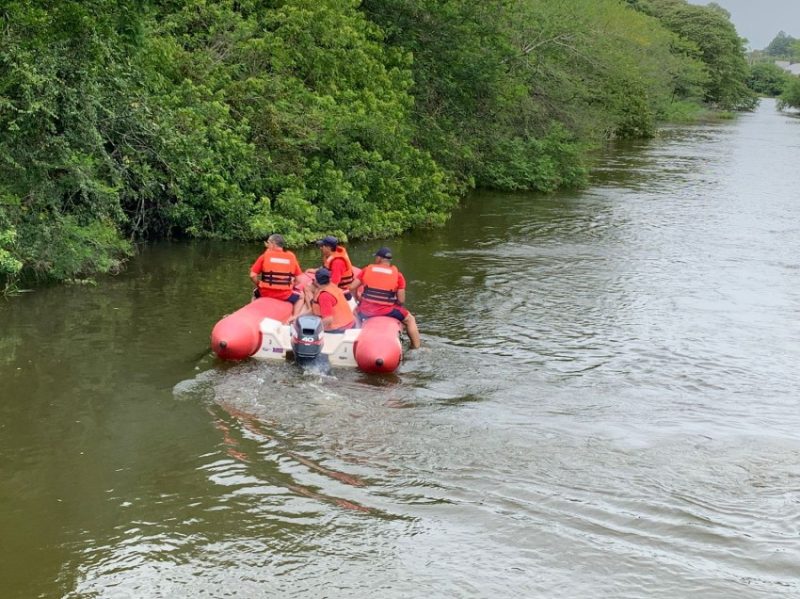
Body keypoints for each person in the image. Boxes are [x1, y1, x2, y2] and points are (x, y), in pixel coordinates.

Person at [349, 247, 421, 349]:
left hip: (367, 310)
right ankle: (416, 347)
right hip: (387, 310)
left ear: (379, 258)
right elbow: (401, 300)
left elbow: (351, 287)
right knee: (410, 319)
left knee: (355, 313)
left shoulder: (366, 270)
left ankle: (359, 338)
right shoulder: (398, 275)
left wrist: (357, 298)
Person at [249, 234, 304, 318]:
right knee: (301, 297)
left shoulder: (264, 256)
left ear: (273, 244)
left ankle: (252, 314)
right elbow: (299, 279)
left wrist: (259, 284)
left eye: (268, 243)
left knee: (254, 294)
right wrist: (291, 285)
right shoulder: (291, 257)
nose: (267, 245)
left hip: (265, 293)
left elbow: (252, 275)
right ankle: (294, 317)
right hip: (285, 294)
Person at [303, 267, 355, 333]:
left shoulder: (324, 296)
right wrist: (298, 317)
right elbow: (314, 309)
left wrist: (312, 329)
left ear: (316, 281)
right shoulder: (332, 286)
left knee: (306, 327)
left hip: (339, 328)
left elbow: (328, 320)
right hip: (349, 322)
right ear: (329, 279)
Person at [315, 235, 355, 300]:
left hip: (342, 291)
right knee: (313, 285)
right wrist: (314, 271)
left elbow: (334, 284)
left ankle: (312, 306)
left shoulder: (337, 262)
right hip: (336, 286)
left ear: (328, 248)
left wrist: (319, 286)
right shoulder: (332, 255)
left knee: (310, 288)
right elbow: (325, 268)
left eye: (323, 246)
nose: (321, 248)